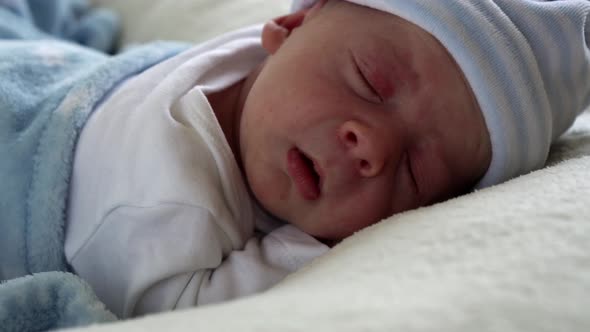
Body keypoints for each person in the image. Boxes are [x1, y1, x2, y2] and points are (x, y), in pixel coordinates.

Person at [2, 0, 589, 320]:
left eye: (415, 172)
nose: (371, 148)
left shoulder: (173, 206)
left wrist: (316, 247)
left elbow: (186, 312)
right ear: (288, 24)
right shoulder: (174, 194)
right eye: (370, 82)